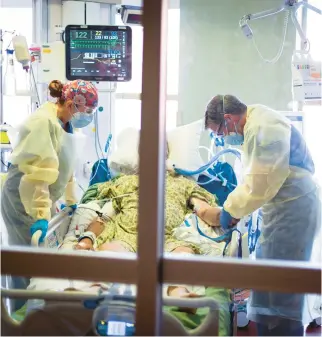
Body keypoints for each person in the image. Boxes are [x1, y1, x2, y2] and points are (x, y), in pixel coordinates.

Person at [204, 94, 320, 336]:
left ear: (228, 119)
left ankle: (284, 331)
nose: (221, 139)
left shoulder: (263, 128)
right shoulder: (256, 121)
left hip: (293, 210)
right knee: (272, 284)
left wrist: (229, 210)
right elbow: (256, 178)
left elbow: (260, 184)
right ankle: (273, 328)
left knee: (284, 287)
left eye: (219, 132)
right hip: (282, 207)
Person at [1, 79, 98, 247]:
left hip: (40, 196)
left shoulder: (68, 125)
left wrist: (70, 199)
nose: (88, 116)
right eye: (87, 111)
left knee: (38, 255)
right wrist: (40, 215)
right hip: (23, 197)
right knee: (25, 259)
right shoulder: (42, 122)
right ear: (70, 104)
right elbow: (39, 173)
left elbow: (67, 167)